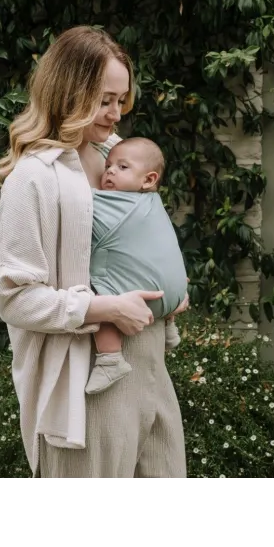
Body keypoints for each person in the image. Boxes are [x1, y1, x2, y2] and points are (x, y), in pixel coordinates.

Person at [0, 26, 188, 479]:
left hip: (149, 362)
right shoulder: (33, 177)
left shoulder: (118, 157)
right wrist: (107, 308)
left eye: (121, 100)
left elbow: (141, 235)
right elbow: (15, 298)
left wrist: (171, 283)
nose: (116, 114)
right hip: (85, 377)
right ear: (68, 94)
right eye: (104, 101)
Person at [85, 136, 187, 395]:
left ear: (149, 180)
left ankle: (110, 359)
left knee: (101, 299)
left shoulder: (108, 202)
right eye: (108, 166)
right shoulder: (152, 201)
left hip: (143, 300)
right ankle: (169, 327)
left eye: (122, 167)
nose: (110, 171)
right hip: (176, 294)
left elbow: (75, 202)